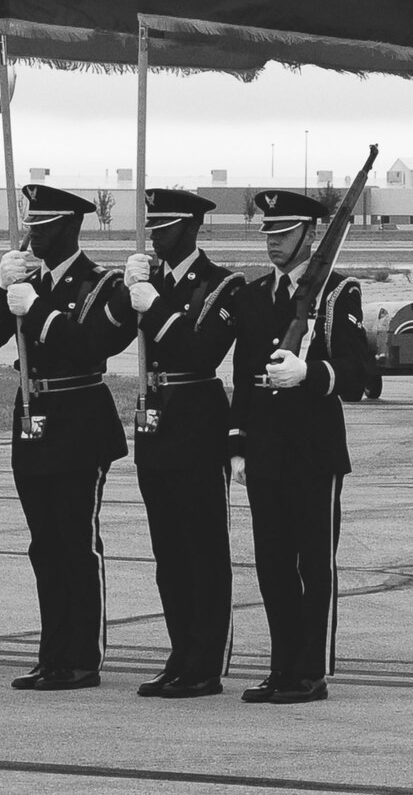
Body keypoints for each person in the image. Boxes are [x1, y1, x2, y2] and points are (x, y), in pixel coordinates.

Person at [0, 183, 135, 691]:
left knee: (75, 543)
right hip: (32, 418)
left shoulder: (101, 285)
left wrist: (37, 309)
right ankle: (52, 654)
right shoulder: (28, 281)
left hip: (79, 418)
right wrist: (0, 289)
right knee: (44, 546)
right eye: (30, 223)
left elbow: (90, 345)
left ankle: (82, 657)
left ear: (68, 226)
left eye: (42, 225)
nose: (32, 233)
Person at [229, 190, 359, 704]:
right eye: (269, 233)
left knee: (313, 564)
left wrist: (311, 373)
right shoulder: (254, 295)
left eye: (284, 233)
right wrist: (237, 443)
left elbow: (356, 372)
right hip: (265, 451)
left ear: (310, 235)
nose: (273, 242)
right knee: (273, 565)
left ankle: (310, 670)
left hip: (312, 450)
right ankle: (281, 666)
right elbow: (243, 377)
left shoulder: (337, 292)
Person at [124, 189, 246, 699]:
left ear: (193, 228)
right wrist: (129, 290)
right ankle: (180, 653)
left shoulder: (222, 286)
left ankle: (205, 662)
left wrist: (153, 306)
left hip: (196, 420)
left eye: (166, 225)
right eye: (152, 225)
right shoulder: (149, 280)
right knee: (168, 552)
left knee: (203, 549)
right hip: (155, 420)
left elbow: (199, 352)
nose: (156, 234)